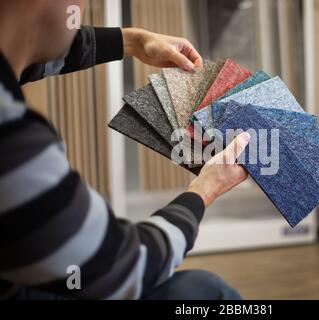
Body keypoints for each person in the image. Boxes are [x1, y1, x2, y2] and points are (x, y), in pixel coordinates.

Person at [0, 0, 250, 300]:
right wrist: (205, 188)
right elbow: (125, 268)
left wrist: (134, 41)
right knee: (204, 292)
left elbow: (37, 49)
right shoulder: (13, 142)